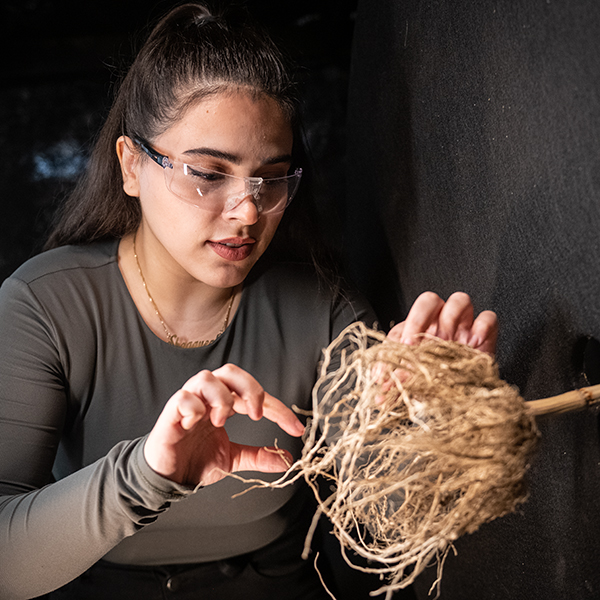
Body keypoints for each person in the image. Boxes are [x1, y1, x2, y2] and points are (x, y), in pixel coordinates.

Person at [0, 3, 498, 599]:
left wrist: (433, 418)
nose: (247, 212)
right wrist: (147, 475)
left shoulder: (325, 311)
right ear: (132, 166)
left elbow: (384, 513)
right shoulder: (43, 305)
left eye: (271, 178)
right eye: (208, 174)